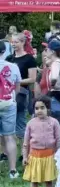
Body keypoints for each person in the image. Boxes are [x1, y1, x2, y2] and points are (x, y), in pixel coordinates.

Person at [22, 96, 60, 187]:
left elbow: (58, 140)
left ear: (48, 108)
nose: (39, 110)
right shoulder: (30, 124)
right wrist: (25, 157)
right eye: (36, 108)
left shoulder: (54, 122)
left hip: (49, 156)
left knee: (49, 181)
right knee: (34, 182)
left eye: (42, 108)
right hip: (34, 157)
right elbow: (26, 142)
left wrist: (58, 155)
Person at [8, 32, 38, 140]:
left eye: (16, 42)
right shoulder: (9, 58)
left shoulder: (29, 59)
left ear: (23, 42)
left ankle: (24, 151)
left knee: (20, 121)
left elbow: (33, 78)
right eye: (12, 42)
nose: (13, 44)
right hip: (7, 94)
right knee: (7, 123)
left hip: (21, 93)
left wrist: (16, 82)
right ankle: (7, 152)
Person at [0, 41, 21, 178]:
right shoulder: (13, 66)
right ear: (4, 51)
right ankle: (13, 170)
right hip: (8, 103)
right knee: (9, 136)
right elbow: (17, 87)